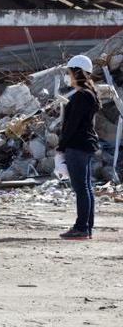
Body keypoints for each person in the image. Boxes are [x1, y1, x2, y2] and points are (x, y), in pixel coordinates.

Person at [57, 55, 101, 240]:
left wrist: (61, 147)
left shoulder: (82, 96)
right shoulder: (89, 94)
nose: (68, 76)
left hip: (77, 145)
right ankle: (86, 226)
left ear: (77, 72)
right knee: (86, 187)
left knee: (81, 187)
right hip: (86, 145)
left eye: (69, 72)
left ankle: (81, 227)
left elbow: (72, 125)